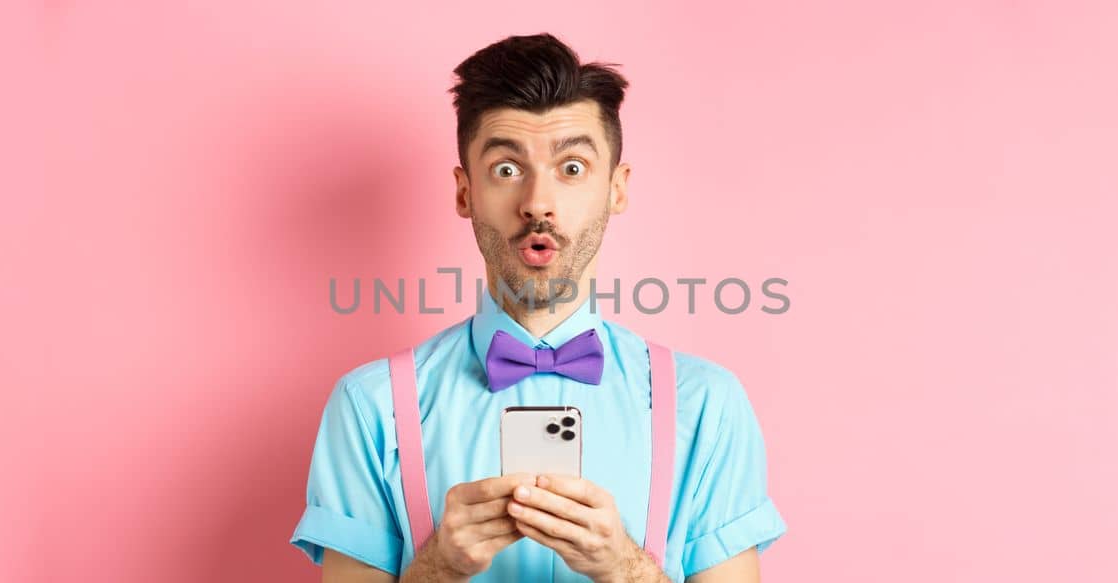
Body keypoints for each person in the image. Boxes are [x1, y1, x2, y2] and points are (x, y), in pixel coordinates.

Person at [290, 33, 785, 582]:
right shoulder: (369, 407)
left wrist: (623, 568)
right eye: (506, 168)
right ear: (465, 192)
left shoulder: (707, 405)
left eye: (572, 168)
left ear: (616, 189)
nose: (537, 204)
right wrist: (439, 568)